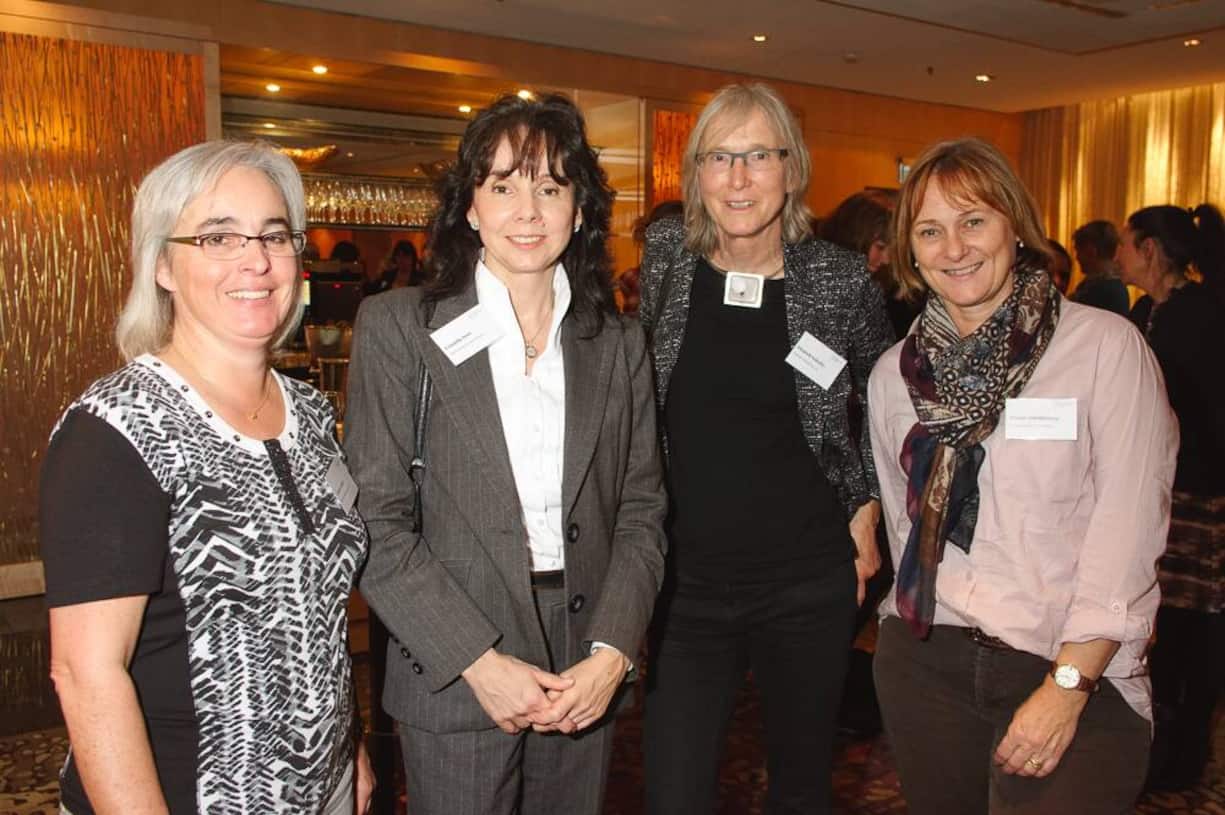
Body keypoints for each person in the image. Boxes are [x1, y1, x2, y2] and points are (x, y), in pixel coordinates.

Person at [345, 93, 667, 815]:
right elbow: (377, 520)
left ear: (579, 210)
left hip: (584, 658)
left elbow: (642, 511)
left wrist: (612, 652)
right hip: (454, 653)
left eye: (550, 188)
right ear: (470, 207)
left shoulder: (617, 342)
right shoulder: (400, 327)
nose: (527, 212)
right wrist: (476, 661)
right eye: (502, 187)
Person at [40, 141, 373, 814]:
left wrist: (350, 747)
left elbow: (314, 608)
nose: (256, 260)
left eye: (273, 235)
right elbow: (85, 672)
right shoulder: (117, 428)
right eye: (218, 237)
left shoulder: (309, 413)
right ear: (162, 264)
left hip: (325, 789)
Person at [868, 137, 1178, 815]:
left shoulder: (1102, 348)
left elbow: (1128, 528)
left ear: (1015, 224)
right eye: (929, 230)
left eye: (973, 220)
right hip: (928, 663)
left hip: (1073, 663)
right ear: (909, 250)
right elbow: (903, 526)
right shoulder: (894, 374)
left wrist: (1067, 685)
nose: (954, 248)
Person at [638, 82, 893, 814]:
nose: (738, 178)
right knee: (673, 792)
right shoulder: (667, 258)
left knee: (800, 788)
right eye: (718, 157)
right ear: (696, 173)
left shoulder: (839, 280)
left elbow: (886, 404)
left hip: (805, 581)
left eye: (758, 155)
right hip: (686, 584)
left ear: (792, 167)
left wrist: (866, 506)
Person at [1116, 203, 1225, 790]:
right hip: (1160, 487)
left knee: (1192, 627)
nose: (1118, 256)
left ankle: (1183, 757)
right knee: (1160, 622)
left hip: (1199, 495)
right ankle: (1156, 750)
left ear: (1150, 250)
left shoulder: (1201, 314)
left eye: (1126, 244)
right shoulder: (1145, 311)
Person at [819, 189, 921, 340]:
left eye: (892, 250)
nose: (887, 260)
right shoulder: (813, 278)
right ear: (853, 237)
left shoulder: (884, 284)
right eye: (880, 247)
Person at [1070, 219, 1130, 315]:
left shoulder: (1107, 291)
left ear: (1091, 251)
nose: (1077, 257)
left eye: (1079, 251)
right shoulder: (1111, 286)